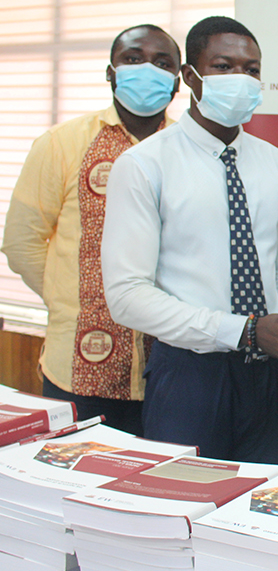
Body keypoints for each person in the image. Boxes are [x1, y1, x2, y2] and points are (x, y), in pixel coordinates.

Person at [101, 16, 278, 462]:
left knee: (254, 506)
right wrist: (243, 331)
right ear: (190, 77)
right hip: (189, 375)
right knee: (182, 508)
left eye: (251, 69)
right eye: (223, 66)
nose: (241, 79)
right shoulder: (144, 165)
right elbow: (126, 295)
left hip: (266, 372)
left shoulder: (275, 163)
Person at [3, 24, 181, 436]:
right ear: (110, 72)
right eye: (133, 59)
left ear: (178, 81)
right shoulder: (60, 144)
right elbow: (22, 242)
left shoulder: (187, 149)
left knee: (154, 490)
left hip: (170, 368)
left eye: (162, 63)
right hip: (80, 366)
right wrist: (76, 299)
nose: (147, 70)